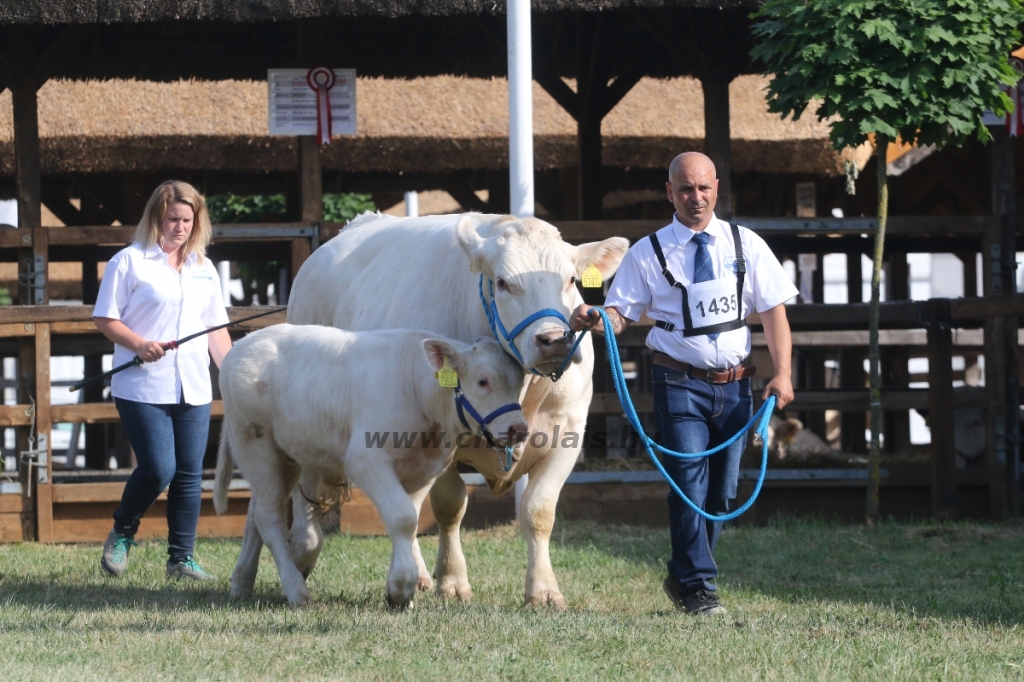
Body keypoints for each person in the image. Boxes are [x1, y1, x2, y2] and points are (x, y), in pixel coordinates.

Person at [570, 152, 797, 615]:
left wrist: (784, 372)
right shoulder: (647, 252)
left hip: (737, 385)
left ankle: (681, 574)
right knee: (689, 483)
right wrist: (597, 318)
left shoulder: (746, 244)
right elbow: (621, 315)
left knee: (722, 493)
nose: (697, 198)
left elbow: (774, 311)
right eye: (686, 189)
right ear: (669, 192)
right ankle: (698, 587)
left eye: (704, 188)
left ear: (717, 188)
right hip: (678, 382)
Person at [93, 180, 232, 580]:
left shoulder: (204, 269)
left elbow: (216, 330)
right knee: (158, 468)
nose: (181, 227)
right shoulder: (129, 261)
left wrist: (236, 375)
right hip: (141, 386)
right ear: (157, 216)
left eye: (188, 220)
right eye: (173, 218)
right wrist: (139, 344)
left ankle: (181, 559)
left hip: (193, 385)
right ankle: (122, 531)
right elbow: (105, 316)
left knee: (190, 473)